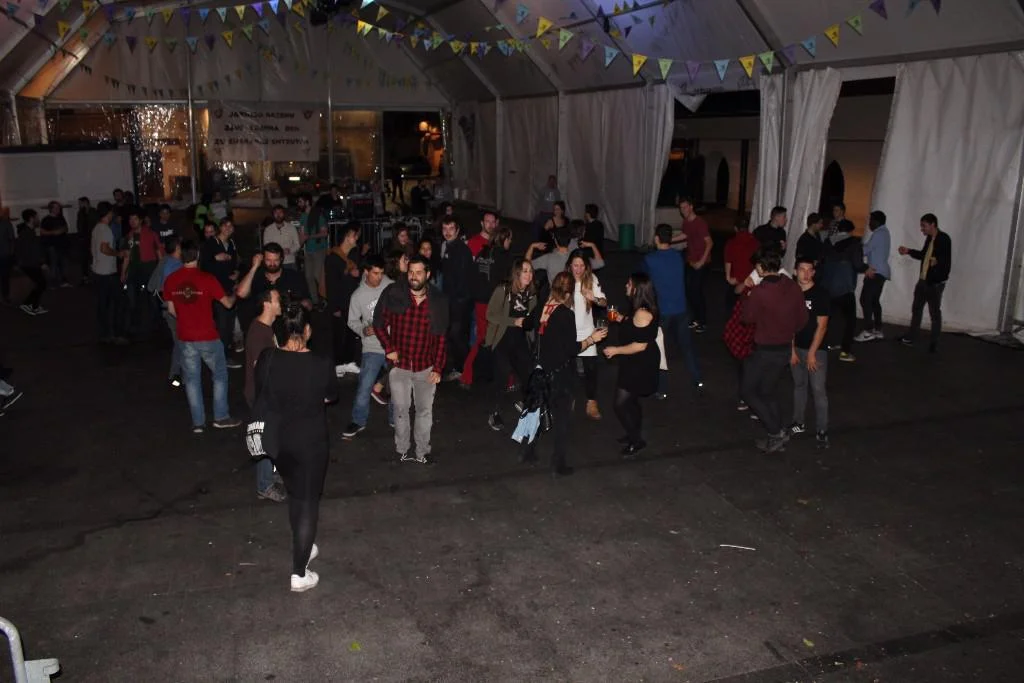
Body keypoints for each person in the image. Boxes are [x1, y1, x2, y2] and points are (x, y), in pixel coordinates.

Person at [253, 304, 338, 592]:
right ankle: (299, 574)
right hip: (310, 442)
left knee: (294, 496)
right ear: (308, 330)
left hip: (279, 441)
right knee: (308, 503)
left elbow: (261, 392)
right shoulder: (320, 363)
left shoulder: (267, 358)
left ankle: (305, 546)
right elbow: (330, 396)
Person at [521, 272, 608, 476]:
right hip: (560, 374)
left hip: (540, 370)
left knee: (536, 412)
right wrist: (592, 339)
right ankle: (557, 463)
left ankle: (527, 452)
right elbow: (572, 349)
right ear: (568, 294)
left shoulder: (543, 307)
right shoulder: (565, 315)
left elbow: (528, 324)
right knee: (563, 418)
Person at [373, 255, 448, 464]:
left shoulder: (438, 301)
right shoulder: (394, 294)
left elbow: (441, 338)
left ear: (428, 274)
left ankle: (422, 451)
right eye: (411, 272)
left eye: (418, 272)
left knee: (424, 411)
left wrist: (438, 368)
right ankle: (402, 449)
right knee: (400, 410)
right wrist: (389, 348)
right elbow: (378, 323)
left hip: (426, 366)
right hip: (400, 366)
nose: (414, 276)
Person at [162, 240, 242, 433]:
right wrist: (236, 294)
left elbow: (171, 310)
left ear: (181, 256)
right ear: (197, 256)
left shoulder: (171, 280)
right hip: (207, 336)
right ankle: (221, 416)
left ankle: (198, 422)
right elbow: (227, 304)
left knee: (192, 380)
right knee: (220, 375)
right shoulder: (207, 279)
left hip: (185, 337)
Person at [740, 247, 808, 454]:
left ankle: (774, 432)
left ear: (761, 267)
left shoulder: (760, 292)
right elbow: (802, 320)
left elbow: (747, 318)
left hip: (764, 350)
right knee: (768, 391)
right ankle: (780, 432)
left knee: (748, 391)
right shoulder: (792, 286)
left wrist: (748, 296)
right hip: (784, 349)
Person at [603, 273, 660, 457]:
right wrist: (620, 318)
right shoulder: (640, 308)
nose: (626, 286)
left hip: (640, 364)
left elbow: (640, 345)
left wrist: (615, 350)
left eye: (628, 284)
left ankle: (636, 441)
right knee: (631, 400)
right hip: (635, 361)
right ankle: (633, 433)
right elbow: (633, 325)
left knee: (620, 404)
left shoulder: (642, 313)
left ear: (636, 289)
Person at [644, 225, 702, 396]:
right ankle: (697, 378)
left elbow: (643, 279)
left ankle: (661, 389)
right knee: (687, 346)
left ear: (656, 238)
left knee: (660, 349)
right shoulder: (678, 257)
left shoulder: (650, 259)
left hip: (663, 310)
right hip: (681, 308)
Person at [341, 255, 394, 439]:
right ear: (366, 272)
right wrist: (364, 330)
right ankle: (358, 420)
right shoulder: (358, 296)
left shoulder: (390, 286)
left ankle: (396, 418)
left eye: (381, 273)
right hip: (372, 347)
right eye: (375, 273)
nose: (379, 277)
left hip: (392, 345)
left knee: (397, 384)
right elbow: (352, 321)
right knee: (364, 386)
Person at [484, 258, 539, 431]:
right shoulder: (504, 289)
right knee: (501, 377)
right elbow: (490, 314)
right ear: (517, 273)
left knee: (528, 372)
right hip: (502, 339)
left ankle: (524, 403)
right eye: (525, 271)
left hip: (519, 339)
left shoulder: (531, 293)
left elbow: (531, 318)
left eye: (530, 271)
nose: (529, 275)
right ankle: (494, 412)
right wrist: (513, 321)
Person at [245, 289, 287, 503]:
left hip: (267, 393)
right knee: (264, 439)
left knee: (274, 436)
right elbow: (261, 367)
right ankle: (264, 486)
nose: (281, 303)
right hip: (263, 395)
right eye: (277, 299)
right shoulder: (259, 333)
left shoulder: (265, 328)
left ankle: (271, 473)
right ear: (267, 304)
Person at [789, 257, 831, 448]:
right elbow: (788, 324)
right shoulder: (791, 293)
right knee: (799, 386)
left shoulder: (821, 294)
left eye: (809, 270)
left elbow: (822, 326)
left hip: (816, 350)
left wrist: (812, 353)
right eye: (802, 269)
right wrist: (791, 350)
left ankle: (822, 430)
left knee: (818, 390)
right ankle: (798, 422)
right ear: (795, 271)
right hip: (796, 348)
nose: (805, 273)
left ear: (813, 272)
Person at [898, 213, 951, 353]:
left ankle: (934, 342)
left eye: (924, 226)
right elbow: (923, 255)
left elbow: (946, 261)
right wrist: (909, 251)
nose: (922, 229)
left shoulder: (944, 239)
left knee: (934, 314)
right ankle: (911, 336)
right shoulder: (929, 238)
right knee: (916, 309)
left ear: (933, 224)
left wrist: (937, 266)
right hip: (923, 280)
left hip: (934, 283)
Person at [235, 242, 312, 338]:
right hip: (262, 330)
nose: (272, 264)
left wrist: (298, 306)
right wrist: (254, 267)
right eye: (268, 260)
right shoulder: (257, 277)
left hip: (288, 331)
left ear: (281, 259)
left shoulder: (294, 276)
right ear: (263, 260)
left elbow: (309, 304)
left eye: (276, 260)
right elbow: (241, 293)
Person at [566, 250, 606, 420]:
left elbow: (604, 302)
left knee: (591, 369)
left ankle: (591, 402)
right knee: (568, 370)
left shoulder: (591, 279)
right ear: (570, 265)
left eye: (582, 265)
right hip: (568, 332)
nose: (579, 269)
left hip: (588, 332)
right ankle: (569, 399)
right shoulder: (564, 280)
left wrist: (594, 298)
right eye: (575, 265)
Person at [200, 217, 242, 368]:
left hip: (229, 287)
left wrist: (236, 272)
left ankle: (223, 354)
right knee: (222, 324)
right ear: (220, 227)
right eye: (225, 225)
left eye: (231, 226)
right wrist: (215, 258)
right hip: (216, 290)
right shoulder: (210, 244)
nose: (228, 228)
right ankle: (221, 358)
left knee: (229, 323)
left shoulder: (231, 243)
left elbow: (235, 263)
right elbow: (203, 266)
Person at [322, 223, 362, 376]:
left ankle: (349, 362)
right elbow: (331, 285)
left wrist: (356, 274)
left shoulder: (353, 255)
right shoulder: (333, 258)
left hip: (352, 302)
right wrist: (334, 308)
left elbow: (355, 277)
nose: (356, 238)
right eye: (354, 235)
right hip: (340, 303)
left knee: (351, 333)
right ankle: (339, 365)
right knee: (339, 335)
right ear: (346, 237)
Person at [820, 222, 863, 363]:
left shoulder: (828, 242)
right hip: (844, 287)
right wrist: (866, 268)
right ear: (851, 231)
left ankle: (822, 345)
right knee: (849, 321)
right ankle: (845, 351)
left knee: (825, 319)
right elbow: (858, 264)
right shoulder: (854, 243)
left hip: (827, 286)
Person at [439, 217, 474, 382]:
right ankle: (460, 368)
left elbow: (463, 278)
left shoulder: (461, 250)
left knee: (458, 335)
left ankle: (463, 370)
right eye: (445, 228)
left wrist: (458, 301)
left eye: (451, 228)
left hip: (459, 302)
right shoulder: (448, 247)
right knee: (454, 336)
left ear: (457, 230)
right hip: (452, 300)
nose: (447, 232)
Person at [120, 209, 162, 338]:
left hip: (149, 268)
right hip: (134, 270)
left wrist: (161, 270)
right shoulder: (129, 236)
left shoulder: (150, 234)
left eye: (135, 219)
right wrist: (123, 272)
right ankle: (135, 324)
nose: (132, 222)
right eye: (130, 219)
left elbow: (159, 252)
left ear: (140, 220)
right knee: (133, 298)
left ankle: (156, 324)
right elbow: (127, 256)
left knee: (152, 298)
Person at [91, 203, 126, 343]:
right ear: (109, 213)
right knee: (118, 302)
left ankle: (104, 333)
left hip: (98, 270)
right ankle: (117, 333)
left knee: (103, 304)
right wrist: (118, 253)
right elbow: (104, 248)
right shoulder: (105, 229)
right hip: (107, 272)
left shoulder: (96, 228)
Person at [676, 198, 712, 333]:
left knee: (696, 291)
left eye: (685, 207)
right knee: (688, 290)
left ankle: (702, 321)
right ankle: (696, 318)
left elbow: (710, 243)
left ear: (691, 207)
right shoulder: (686, 222)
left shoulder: (700, 223)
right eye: (681, 208)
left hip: (702, 262)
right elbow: (685, 235)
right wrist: (668, 239)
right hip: (690, 261)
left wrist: (702, 262)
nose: (683, 210)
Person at [855, 210, 891, 342]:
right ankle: (878, 329)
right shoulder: (884, 233)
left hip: (875, 272)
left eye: (871, 220)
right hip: (881, 272)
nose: (869, 223)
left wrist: (852, 250)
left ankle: (868, 331)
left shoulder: (879, 234)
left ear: (877, 221)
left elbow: (866, 249)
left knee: (865, 299)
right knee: (874, 301)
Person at [527, 226, 605, 286]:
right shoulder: (578, 257)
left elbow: (526, 265)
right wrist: (593, 245)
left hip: (556, 296)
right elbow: (600, 263)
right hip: (574, 295)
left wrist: (532, 246)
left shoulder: (548, 258)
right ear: (569, 241)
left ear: (556, 242)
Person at [158, 236, 185, 387]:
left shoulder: (166, 262)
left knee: (179, 342)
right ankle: (177, 374)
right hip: (174, 309)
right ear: (177, 248)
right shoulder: (175, 265)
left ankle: (176, 373)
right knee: (181, 342)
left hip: (169, 308)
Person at [297, 192, 329, 305]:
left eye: (300, 201)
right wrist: (297, 247)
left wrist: (309, 237)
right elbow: (302, 234)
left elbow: (324, 233)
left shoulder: (318, 214)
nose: (299, 204)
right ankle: (315, 301)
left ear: (307, 202)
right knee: (308, 276)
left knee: (317, 275)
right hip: (308, 250)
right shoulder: (303, 216)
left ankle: (326, 298)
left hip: (319, 249)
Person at [723, 214, 759, 311]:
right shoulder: (755, 242)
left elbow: (728, 261)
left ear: (735, 228)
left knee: (731, 308)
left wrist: (728, 277)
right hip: (750, 280)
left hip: (736, 280)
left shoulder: (731, 243)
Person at [15, 211, 47, 316]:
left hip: (29, 263)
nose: (38, 219)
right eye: (36, 217)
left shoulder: (28, 232)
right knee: (41, 284)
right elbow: (32, 251)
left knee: (40, 284)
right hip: (29, 264)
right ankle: (31, 306)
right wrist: (41, 263)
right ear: (31, 218)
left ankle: (30, 304)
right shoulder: (27, 233)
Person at [39, 201, 70, 287]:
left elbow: (66, 228)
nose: (58, 209)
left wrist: (62, 230)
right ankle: (52, 283)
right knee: (53, 264)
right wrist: (54, 232)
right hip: (52, 246)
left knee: (63, 263)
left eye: (59, 207)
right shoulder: (46, 219)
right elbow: (42, 232)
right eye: (56, 207)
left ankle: (63, 281)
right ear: (51, 209)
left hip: (62, 244)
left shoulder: (61, 218)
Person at [262, 205, 302, 270]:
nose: (278, 215)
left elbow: (297, 245)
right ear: (273, 215)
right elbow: (266, 246)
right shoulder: (268, 230)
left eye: (280, 212)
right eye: (276, 213)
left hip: (290, 262)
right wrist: (277, 252)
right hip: (274, 263)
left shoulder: (291, 228)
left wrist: (290, 250)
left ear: (284, 214)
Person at [76, 197, 98, 284]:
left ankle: (95, 276)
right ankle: (85, 276)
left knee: (93, 257)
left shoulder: (93, 211)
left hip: (92, 237)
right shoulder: (80, 213)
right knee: (84, 258)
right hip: (83, 238)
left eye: (80, 203)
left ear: (85, 203)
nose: (79, 205)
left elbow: (94, 224)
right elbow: (79, 225)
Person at [533, 174, 561, 240]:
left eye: (553, 181)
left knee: (552, 227)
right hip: (543, 213)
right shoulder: (543, 190)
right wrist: (537, 212)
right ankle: (537, 239)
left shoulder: (557, 192)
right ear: (548, 181)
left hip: (552, 214)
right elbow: (539, 202)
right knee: (536, 224)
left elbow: (558, 204)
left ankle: (551, 239)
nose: (551, 183)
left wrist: (558, 214)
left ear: (555, 182)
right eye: (550, 181)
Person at [0, 209, 14, 305]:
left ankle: (5, 295)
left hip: (4, 254)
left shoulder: (6, 223)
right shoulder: (6, 223)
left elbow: (11, 239)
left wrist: (11, 253)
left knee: (5, 276)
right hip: (4, 253)